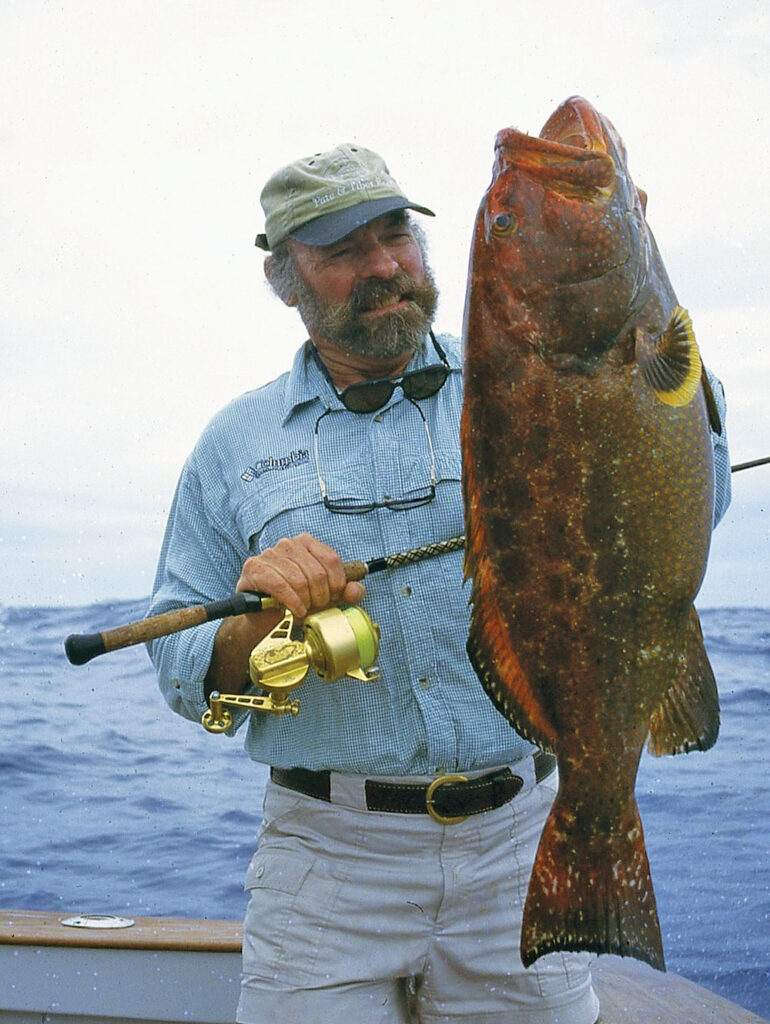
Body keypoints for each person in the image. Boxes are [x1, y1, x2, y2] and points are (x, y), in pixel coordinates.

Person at [148, 144, 732, 1024]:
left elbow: (696, 492)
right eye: (344, 251)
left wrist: (635, 264)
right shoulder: (233, 445)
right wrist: (265, 632)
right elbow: (178, 663)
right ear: (286, 278)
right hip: (326, 862)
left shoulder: (531, 354)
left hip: (516, 837)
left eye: (397, 236)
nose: (384, 266)